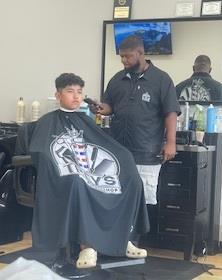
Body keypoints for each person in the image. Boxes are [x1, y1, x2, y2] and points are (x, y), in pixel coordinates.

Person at [15, 73, 150, 269]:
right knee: (78, 181)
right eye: (70, 91)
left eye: (79, 92)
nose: (76, 96)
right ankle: (87, 246)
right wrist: (72, 168)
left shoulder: (86, 121)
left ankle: (122, 239)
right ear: (58, 95)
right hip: (67, 174)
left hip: (90, 170)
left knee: (131, 179)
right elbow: (43, 151)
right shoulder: (47, 121)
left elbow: (105, 146)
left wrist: (125, 159)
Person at [90, 35, 180, 207]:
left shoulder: (161, 79)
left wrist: (171, 142)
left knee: (143, 203)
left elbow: (171, 112)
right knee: (118, 200)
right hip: (119, 152)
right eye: (121, 57)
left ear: (140, 53)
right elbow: (109, 106)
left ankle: (140, 235)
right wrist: (100, 109)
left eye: (128, 56)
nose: (124, 60)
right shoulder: (117, 79)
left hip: (146, 152)